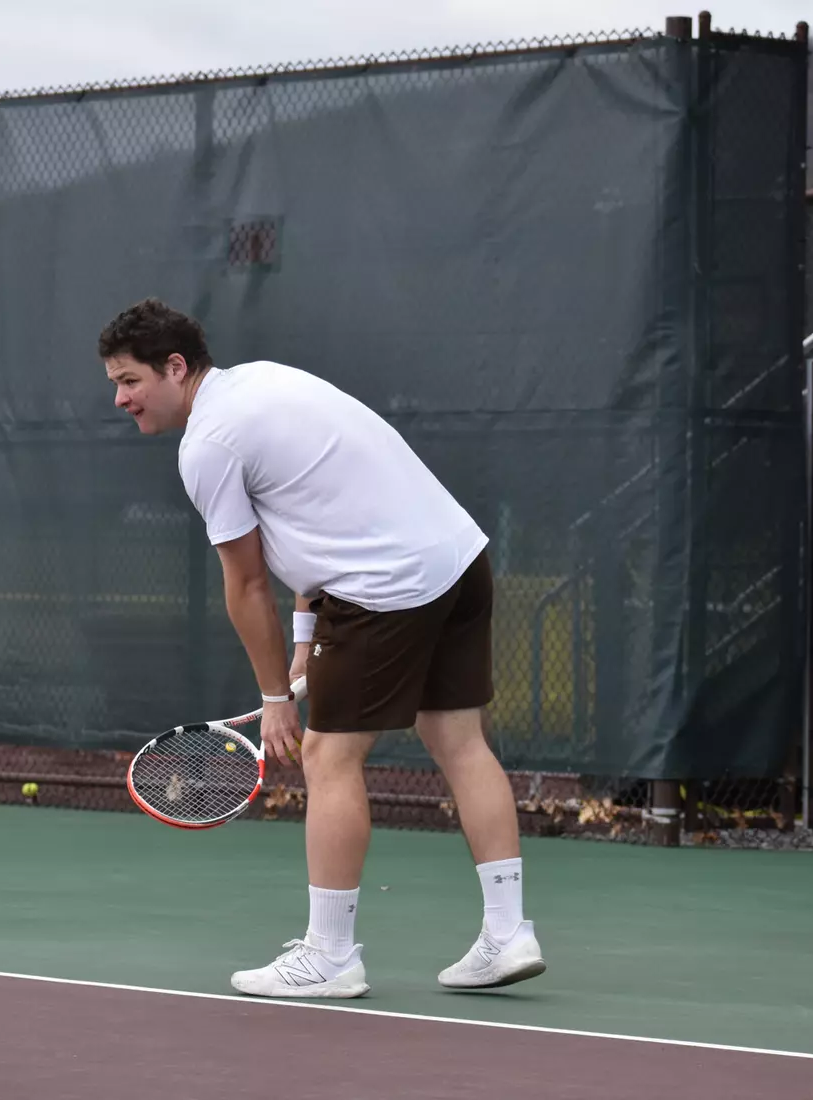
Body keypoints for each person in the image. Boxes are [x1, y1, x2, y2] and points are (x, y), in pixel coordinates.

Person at [98, 298, 545, 998]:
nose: (122, 399)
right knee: (460, 741)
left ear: (175, 367)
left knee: (329, 755)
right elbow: (324, 515)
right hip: (459, 560)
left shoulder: (209, 443)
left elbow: (246, 585)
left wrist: (277, 698)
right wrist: (306, 647)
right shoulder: (268, 384)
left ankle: (331, 957)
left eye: (129, 381)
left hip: (386, 587)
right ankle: (509, 933)